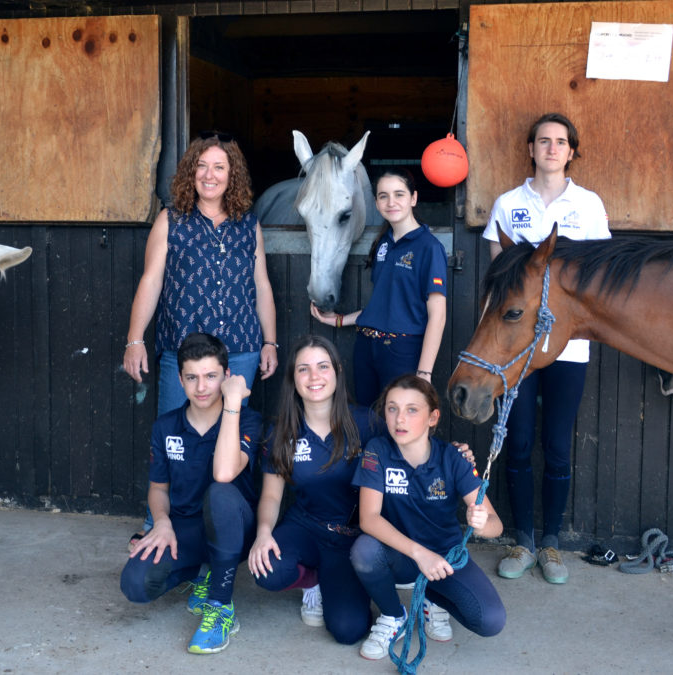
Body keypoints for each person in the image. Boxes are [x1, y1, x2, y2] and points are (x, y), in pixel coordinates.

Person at [482, 112, 611, 584]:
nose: (552, 149)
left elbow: (596, 279)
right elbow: (501, 283)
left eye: (560, 142)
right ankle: (524, 540)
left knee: (556, 449)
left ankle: (553, 543)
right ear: (531, 149)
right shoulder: (507, 203)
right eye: (543, 141)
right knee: (516, 445)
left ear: (571, 151)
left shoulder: (589, 205)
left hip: (569, 348)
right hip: (517, 351)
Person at [120, 332, 261, 655]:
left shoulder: (248, 420)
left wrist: (234, 403)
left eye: (211, 376)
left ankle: (221, 606)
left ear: (227, 377)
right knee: (135, 584)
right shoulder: (166, 426)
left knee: (221, 493)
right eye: (192, 378)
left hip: (235, 530)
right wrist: (161, 524)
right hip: (185, 527)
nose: (202, 387)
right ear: (180, 380)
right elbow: (158, 488)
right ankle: (200, 572)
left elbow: (224, 472)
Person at [123, 130, 278, 417]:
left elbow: (261, 286)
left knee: (230, 439)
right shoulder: (171, 220)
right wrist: (135, 340)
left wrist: (270, 342)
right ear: (191, 172)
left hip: (240, 349)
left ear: (232, 175)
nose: (210, 175)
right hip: (184, 351)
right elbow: (151, 281)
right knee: (177, 438)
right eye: (202, 166)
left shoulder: (248, 225)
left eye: (219, 167)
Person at [350, 374, 505, 660]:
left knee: (491, 620)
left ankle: (431, 599)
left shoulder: (454, 458)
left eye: (412, 410)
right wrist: (421, 555)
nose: (400, 418)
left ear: (433, 418)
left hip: (444, 559)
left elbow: (496, 525)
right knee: (364, 551)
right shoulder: (377, 451)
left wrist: (482, 524)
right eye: (392, 408)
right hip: (400, 555)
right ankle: (394, 615)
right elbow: (368, 519)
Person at [247, 335, 381, 645]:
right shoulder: (282, 431)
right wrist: (264, 533)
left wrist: (454, 454)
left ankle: (339, 582)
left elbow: (412, 450)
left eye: (322, 366)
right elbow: (271, 495)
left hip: (352, 539)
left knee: (349, 631)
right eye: (303, 369)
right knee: (267, 570)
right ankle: (311, 581)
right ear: (293, 379)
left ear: (337, 371)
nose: (314, 377)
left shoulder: (367, 423)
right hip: (306, 526)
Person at [310, 167, 447, 407]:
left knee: (397, 423)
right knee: (366, 417)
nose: (391, 201)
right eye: (383, 196)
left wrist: (424, 373)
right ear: (376, 202)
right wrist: (340, 320)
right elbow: (383, 306)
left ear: (413, 198)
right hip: (366, 346)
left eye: (399, 194)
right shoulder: (383, 243)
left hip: (402, 350)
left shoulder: (429, 247)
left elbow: (438, 315)